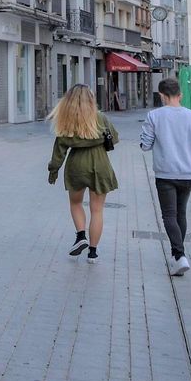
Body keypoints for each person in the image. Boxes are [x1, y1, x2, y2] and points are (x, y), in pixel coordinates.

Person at [140, 77, 191, 277]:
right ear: (180, 95)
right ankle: (176, 256)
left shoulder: (154, 116)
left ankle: (179, 255)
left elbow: (145, 145)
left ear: (161, 95)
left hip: (165, 173)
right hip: (188, 173)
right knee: (181, 214)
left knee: (169, 215)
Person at [47, 84, 119, 263]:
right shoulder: (101, 117)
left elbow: (59, 151)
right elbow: (115, 138)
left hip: (76, 165)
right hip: (100, 164)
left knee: (76, 202)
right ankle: (93, 252)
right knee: (97, 210)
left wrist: (53, 170)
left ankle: (81, 236)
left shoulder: (66, 120)